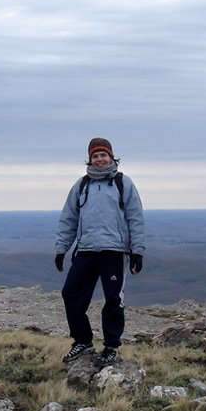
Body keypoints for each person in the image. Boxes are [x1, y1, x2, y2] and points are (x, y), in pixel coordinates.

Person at [54, 137, 145, 367]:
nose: (100, 159)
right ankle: (82, 341)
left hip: (114, 251)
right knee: (71, 293)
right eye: (95, 156)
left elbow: (135, 217)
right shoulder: (82, 185)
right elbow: (69, 219)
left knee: (114, 300)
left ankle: (111, 346)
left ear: (112, 157)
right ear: (90, 159)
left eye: (103, 155)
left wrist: (137, 251)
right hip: (86, 250)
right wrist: (61, 249)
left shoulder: (123, 183)